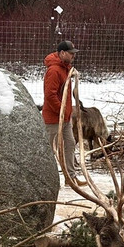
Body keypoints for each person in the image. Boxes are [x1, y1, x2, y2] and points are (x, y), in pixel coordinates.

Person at [42, 39, 78, 176]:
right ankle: (46, 176)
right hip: (53, 118)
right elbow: (50, 95)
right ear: (62, 53)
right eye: (71, 53)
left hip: (65, 117)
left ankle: (70, 176)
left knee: (70, 143)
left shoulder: (65, 69)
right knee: (49, 148)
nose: (73, 56)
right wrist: (61, 111)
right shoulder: (54, 71)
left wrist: (67, 114)